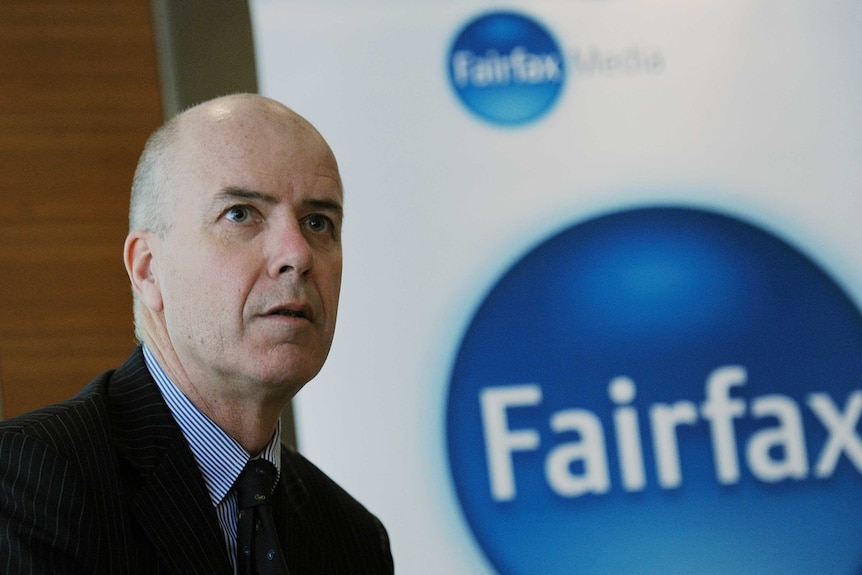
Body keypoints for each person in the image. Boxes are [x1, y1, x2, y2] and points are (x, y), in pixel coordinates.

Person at [0, 94, 394, 574]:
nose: (297, 253)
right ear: (148, 271)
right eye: (241, 214)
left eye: (318, 222)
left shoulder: (352, 539)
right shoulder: (29, 480)